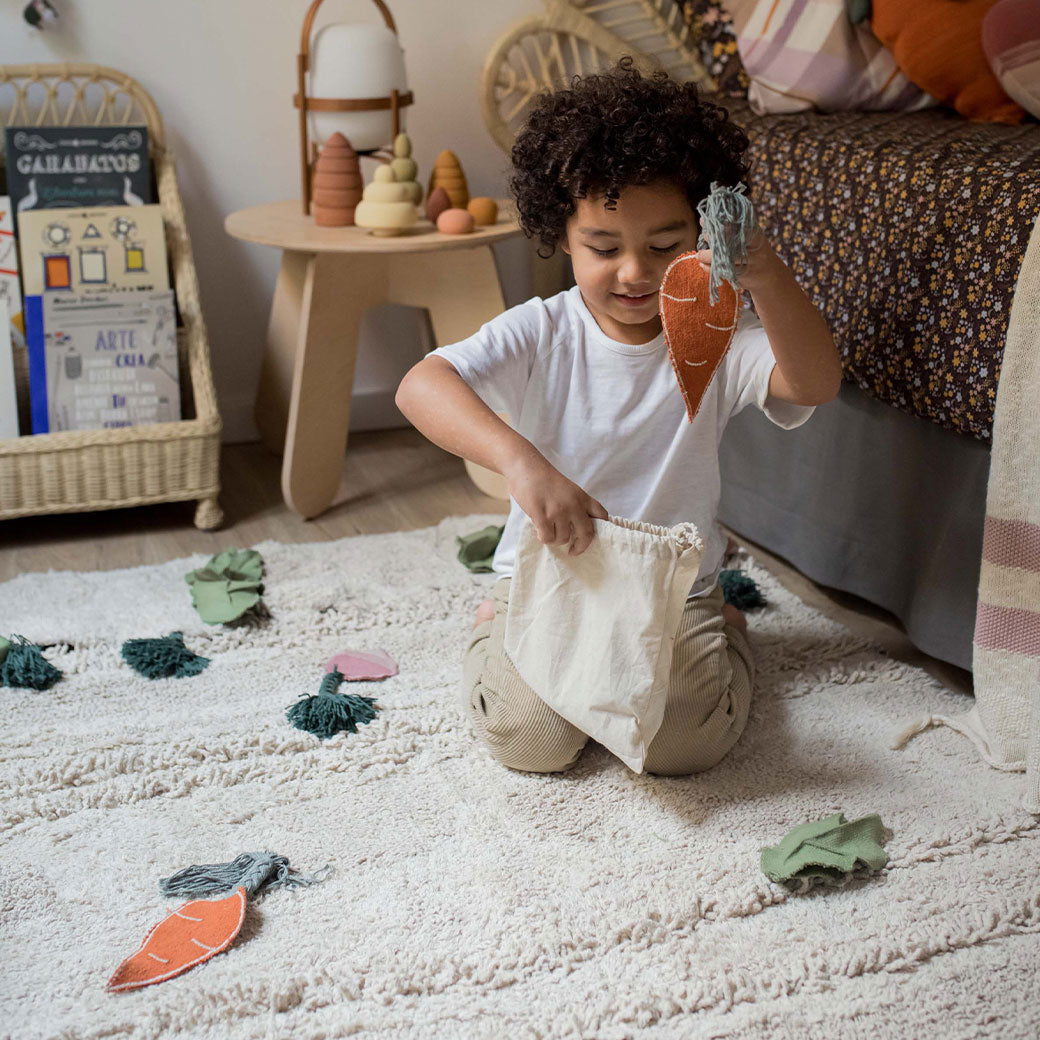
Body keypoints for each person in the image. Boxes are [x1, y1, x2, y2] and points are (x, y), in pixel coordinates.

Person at [395, 59, 841, 776]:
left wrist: (763, 272)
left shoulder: (716, 332)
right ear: (562, 238)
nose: (635, 272)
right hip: (552, 575)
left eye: (665, 247)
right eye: (603, 249)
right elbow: (421, 385)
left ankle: (728, 629)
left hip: (674, 588)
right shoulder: (542, 331)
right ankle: (494, 624)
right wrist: (522, 463)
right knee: (534, 743)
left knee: (684, 747)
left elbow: (815, 382)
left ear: (700, 233)